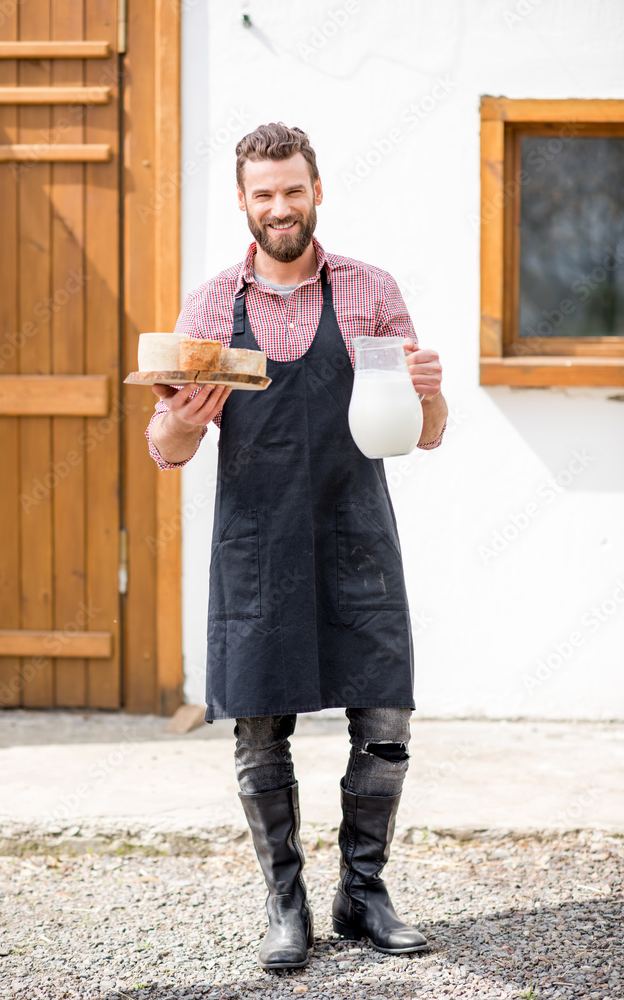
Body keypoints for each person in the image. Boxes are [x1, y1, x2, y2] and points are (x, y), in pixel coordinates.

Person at [146, 123, 447, 972]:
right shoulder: (211, 306)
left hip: (355, 532)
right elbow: (168, 450)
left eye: (293, 190)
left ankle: (364, 893)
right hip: (254, 542)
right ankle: (286, 904)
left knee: (384, 718)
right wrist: (177, 418)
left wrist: (431, 395)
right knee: (257, 728)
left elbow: (422, 434)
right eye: (263, 194)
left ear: (317, 191)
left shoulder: (370, 291)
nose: (280, 207)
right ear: (242, 202)